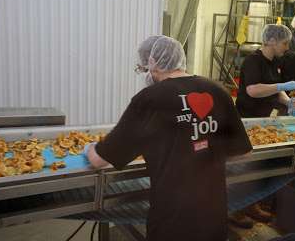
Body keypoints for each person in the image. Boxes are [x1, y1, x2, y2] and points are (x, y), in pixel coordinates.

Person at [85, 35, 253, 241]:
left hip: (172, 221)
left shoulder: (149, 100)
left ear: (154, 63)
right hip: (214, 215)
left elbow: (98, 160)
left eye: (144, 67)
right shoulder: (218, 91)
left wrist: (89, 147)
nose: (146, 73)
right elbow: (242, 151)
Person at [236, 24, 295, 118]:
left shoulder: (276, 61)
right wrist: (281, 86)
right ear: (272, 41)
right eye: (285, 43)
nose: (287, 48)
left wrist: (289, 102)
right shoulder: (253, 60)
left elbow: (275, 89)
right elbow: (253, 90)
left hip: (263, 116)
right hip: (246, 116)